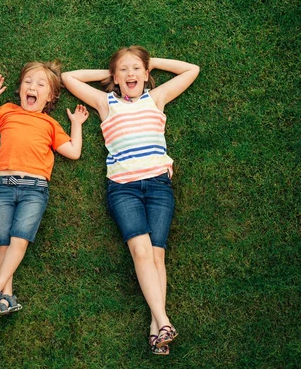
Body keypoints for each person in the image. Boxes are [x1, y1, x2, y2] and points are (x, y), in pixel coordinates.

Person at [61, 46, 199, 354]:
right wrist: (108, 76)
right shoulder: (105, 103)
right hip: (123, 188)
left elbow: (191, 70)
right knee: (141, 250)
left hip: (159, 186)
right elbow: (68, 77)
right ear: (115, 78)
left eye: (136, 69)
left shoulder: (156, 98)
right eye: (123, 70)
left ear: (147, 75)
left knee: (157, 256)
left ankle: (157, 328)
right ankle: (163, 320)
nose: (130, 74)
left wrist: (151, 63)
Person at [0, 62, 89, 319]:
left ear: (51, 96)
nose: (33, 87)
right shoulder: (7, 112)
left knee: (19, 239)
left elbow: (74, 152)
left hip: (34, 189)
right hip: (3, 188)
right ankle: (6, 296)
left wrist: (76, 123)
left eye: (41, 85)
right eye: (28, 82)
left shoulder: (50, 125)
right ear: (21, 89)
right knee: (3, 242)